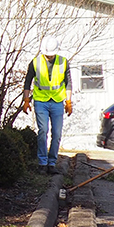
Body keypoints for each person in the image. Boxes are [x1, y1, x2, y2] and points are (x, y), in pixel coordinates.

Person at [22, 36, 73, 174]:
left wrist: (68, 101)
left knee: (56, 133)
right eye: (47, 54)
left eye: (51, 54)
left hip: (57, 101)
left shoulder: (63, 62)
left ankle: (52, 164)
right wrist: (26, 100)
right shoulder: (35, 62)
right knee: (43, 130)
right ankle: (42, 163)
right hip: (40, 101)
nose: (49, 56)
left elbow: (68, 83)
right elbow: (27, 82)